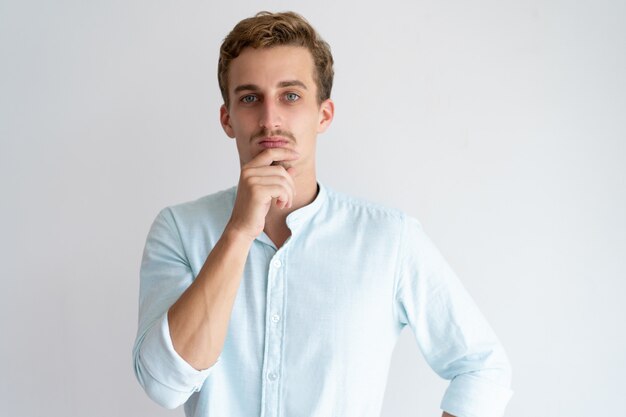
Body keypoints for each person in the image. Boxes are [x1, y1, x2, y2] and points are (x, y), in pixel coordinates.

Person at [132, 11, 513, 417]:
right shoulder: (179, 230)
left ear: (324, 115)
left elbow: (483, 367)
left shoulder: (389, 239)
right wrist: (240, 231)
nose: (270, 119)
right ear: (227, 119)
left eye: (290, 96)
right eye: (249, 98)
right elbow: (164, 385)